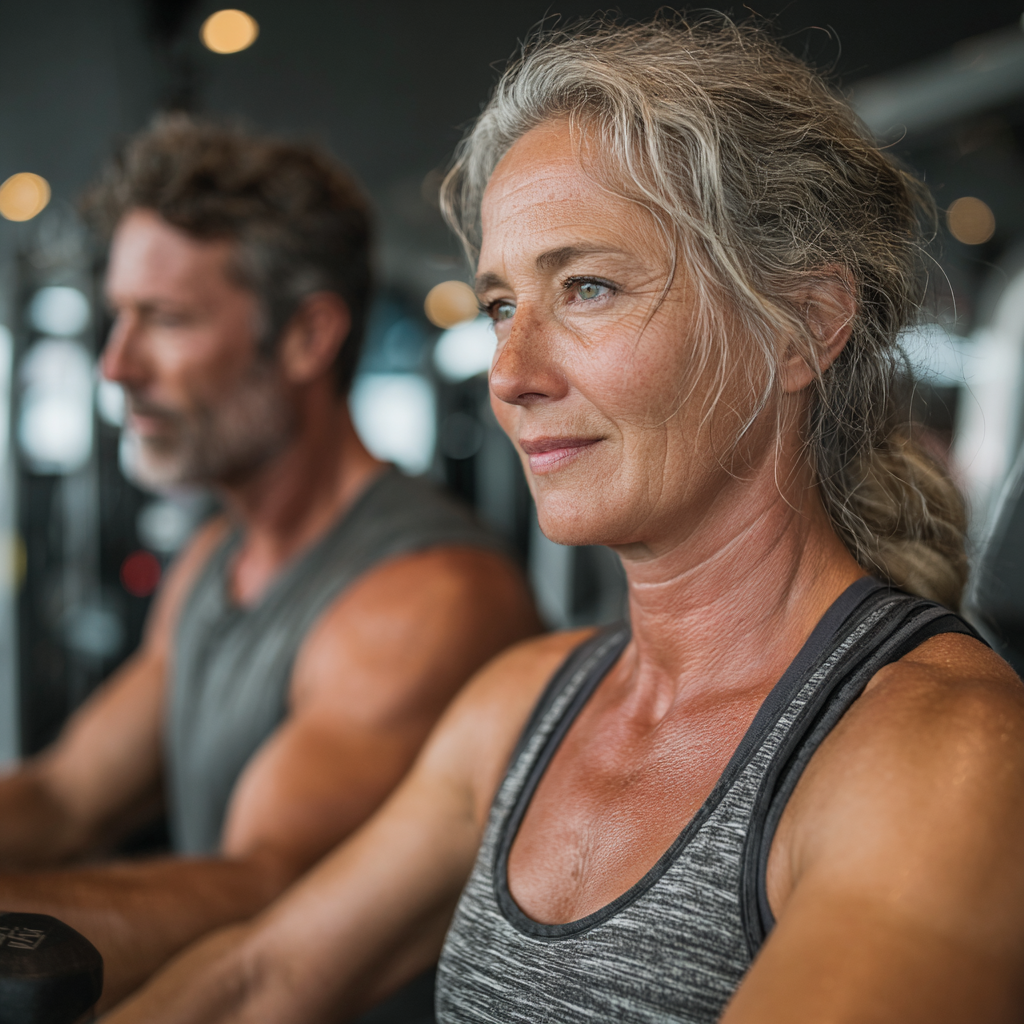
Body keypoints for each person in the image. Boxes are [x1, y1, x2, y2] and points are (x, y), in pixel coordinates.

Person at [105, 18, 1024, 1024]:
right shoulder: (519, 706)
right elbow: (260, 977)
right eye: (502, 305)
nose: (510, 374)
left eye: (586, 287)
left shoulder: (942, 756)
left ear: (801, 324)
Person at [0, 116, 540, 1011]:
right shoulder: (218, 556)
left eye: (165, 319)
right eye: (118, 318)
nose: (116, 365)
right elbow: (66, 798)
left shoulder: (425, 596)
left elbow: (268, 886)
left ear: (306, 337)